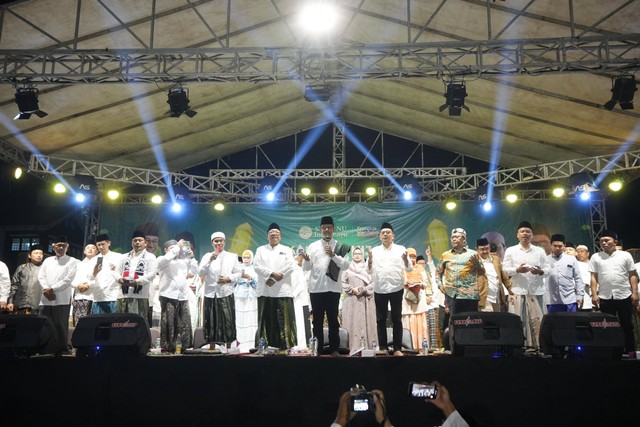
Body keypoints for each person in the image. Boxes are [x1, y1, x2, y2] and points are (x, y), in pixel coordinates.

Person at [302, 216, 351, 356]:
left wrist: (333, 255)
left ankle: (334, 349)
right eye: (324, 228)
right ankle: (317, 348)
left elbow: (346, 265)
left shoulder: (340, 245)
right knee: (317, 321)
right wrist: (306, 260)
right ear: (320, 229)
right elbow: (306, 267)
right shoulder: (313, 246)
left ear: (333, 229)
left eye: (329, 227)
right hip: (316, 289)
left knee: (333, 321)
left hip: (333, 289)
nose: (327, 230)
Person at [589, 230, 638, 356]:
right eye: (602, 241)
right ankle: (613, 351)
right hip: (605, 296)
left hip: (624, 294)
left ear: (615, 242)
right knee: (608, 325)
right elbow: (593, 277)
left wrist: (635, 293)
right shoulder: (596, 257)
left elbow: (632, 275)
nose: (604, 243)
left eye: (607, 240)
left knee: (627, 324)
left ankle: (631, 351)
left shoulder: (625, 256)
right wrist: (594, 294)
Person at [503, 221, 550, 349]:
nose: (525, 234)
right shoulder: (511, 251)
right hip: (518, 291)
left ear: (532, 235)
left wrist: (540, 271)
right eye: (522, 231)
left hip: (536, 291)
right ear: (517, 235)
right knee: (519, 321)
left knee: (538, 321)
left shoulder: (539, 251)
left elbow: (548, 268)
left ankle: (538, 346)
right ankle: (520, 346)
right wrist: (517, 270)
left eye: (528, 231)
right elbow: (505, 270)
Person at [368, 222, 411, 356]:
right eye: (383, 233)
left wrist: (405, 261)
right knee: (380, 320)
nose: (385, 234)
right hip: (380, 288)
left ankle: (398, 348)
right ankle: (383, 347)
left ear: (393, 235)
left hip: (396, 287)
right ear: (380, 236)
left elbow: (409, 268)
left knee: (396, 318)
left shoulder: (400, 249)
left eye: (388, 232)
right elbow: (369, 271)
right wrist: (369, 261)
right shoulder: (374, 251)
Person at [253, 223, 298, 350]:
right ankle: (265, 346)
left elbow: (291, 266)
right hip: (265, 292)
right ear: (267, 236)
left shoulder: (287, 250)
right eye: (271, 232)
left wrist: (274, 278)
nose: (274, 234)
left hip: (282, 291)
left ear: (280, 236)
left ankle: (285, 347)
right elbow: (256, 266)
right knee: (266, 321)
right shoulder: (260, 250)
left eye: (276, 232)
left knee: (283, 321)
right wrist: (271, 274)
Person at [198, 231, 241, 347]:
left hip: (226, 292)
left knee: (228, 320)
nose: (218, 243)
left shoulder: (232, 256)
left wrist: (229, 278)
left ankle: (229, 348)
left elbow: (238, 273)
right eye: (216, 241)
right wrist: (210, 260)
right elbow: (200, 272)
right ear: (212, 243)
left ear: (224, 242)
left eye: (220, 240)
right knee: (211, 321)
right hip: (210, 293)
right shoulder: (207, 256)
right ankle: (212, 347)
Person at [38, 236, 79, 354]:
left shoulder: (72, 261)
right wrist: (46, 289)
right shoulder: (47, 260)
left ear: (67, 247)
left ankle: (62, 349)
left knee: (60, 324)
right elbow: (41, 276)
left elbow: (68, 280)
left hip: (61, 298)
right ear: (53, 246)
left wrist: (52, 289)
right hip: (45, 298)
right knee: (45, 324)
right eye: (58, 245)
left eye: (63, 245)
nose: (60, 248)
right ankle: (46, 348)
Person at [157, 239, 198, 353]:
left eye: (177, 248)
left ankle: (185, 347)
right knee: (169, 322)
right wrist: (177, 247)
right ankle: (168, 347)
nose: (176, 250)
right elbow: (164, 261)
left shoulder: (183, 261)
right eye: (172, 248)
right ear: (166, 250)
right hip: (168, 295)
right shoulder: (162, 259)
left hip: (183, 296)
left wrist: (191, 257)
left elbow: (195, 271)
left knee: (184, 322)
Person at [436, 228, 484, 317]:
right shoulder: (445, 255)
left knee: (472, 322)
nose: (454, 239)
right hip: (452, 295)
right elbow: (438, 273)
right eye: (452, 237)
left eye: (457, 237)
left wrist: (477, 264)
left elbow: (482, 272)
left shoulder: (473, 254)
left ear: (464, 239)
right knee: (455, 322)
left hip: (470, 295)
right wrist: (440, 285)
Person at [341, 246, 377, 353]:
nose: (357, 255)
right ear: (352, 255)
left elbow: (374, 283)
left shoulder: (368, 269)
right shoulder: (347, 268)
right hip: (351, 300)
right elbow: (342, 283)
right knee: (352, 322)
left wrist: (363, 289)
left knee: (366, 322)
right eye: (355, 253)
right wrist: (352, 289)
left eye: (359, 254)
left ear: (362, 256)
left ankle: (368, 347)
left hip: (365, 299)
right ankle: (351, 348)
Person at [117, 230, 158, 323]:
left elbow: (152, 274)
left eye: (140, 240)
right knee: (122, 323)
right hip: (123, 295)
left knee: (139, 323)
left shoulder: (150, 257)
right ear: (132, 243)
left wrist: (138, 281)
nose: (137, 243)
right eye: (135, 240)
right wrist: (119, 279)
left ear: (145, 243)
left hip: (141, 295)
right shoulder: (124, 256)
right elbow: (116, 272)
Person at [401, 248, 431, 350]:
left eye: (414, 257)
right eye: (410, 257)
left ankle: (421, 347)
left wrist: (419, 283)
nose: (412, 259)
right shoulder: (402, 268)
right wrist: (407, 283)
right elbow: (400, 282)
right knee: (407, 319)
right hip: (406, 298)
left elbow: (425, 282)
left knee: (419, 318)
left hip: (418, 297)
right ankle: (408, 346)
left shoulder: (420, 268)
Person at [546, 234, 584, 313]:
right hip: (550, 300)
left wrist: (580, 295)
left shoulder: (571, 259)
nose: (557, 248)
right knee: (553, 324)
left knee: (570, 324)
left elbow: (578, 278)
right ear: (550, 245)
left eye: (560, 246)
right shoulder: (545, 260)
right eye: (555, 246)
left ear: (564, 246)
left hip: (570, 299)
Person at [476, 237, 513, 313]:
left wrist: (511, 292)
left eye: (487, 248)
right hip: (484, 297)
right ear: (477, 249)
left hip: (497, 297)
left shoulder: (496, 259)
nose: (485, 251)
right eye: (482, 249)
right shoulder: (475, 261)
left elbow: (505, 278)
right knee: (487, 321)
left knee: (496, 322)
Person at [6, 244, 44, 314]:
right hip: (20, 304)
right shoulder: (21, 268)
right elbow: (14, 285)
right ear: (29, 255)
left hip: (37, 306)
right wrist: (10, 301)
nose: (39, 255)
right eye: (36, 253)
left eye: (41, 254)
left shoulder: (45, 269)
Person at [91, 234, 122, 314]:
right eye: (99, 245)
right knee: (98, 323)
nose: (101, 247)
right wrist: (94, 272)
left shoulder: (119, 257)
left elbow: (123, 275)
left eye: (103, 244)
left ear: (109, 243)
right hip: (98, 296)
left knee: (113, 323)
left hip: (113, 295)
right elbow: (89, 277)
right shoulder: (94, 259)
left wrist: (116, 269)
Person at [235, 249, 258, 352]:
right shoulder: (238, 268)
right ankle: (240, 342)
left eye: (248, 257)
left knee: (251, 318)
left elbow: (258, 284)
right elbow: (233, 282)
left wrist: (250, 278)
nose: (246, 259)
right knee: (240, 318)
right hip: (240, 297)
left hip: (251, 297)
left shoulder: (255, 269)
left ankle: (251, 342)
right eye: (244, 257)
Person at [71, 242, 98, 325]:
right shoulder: (78, 264)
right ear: (84, 251)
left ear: (97, 251)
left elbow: (101, 279)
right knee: (79, 325)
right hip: (79, 297)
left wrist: (88, 285)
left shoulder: (99, 264)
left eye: (93, 248)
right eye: (88, 248)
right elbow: (72, 279)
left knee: (92, 324)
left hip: (93, 297)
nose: (90, 249)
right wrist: (78, 285)